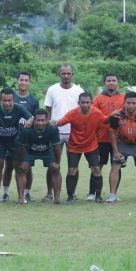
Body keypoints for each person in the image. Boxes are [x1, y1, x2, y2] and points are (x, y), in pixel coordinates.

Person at [50, 92, 115, 204]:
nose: (85, 105)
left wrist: (114, 115)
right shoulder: (73, 113)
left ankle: (98, 196)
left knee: (96, 170)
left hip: (91, 146)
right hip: (74, 147)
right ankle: (70, 197)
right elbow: (62, 122)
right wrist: (55, 122)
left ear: (91, 103)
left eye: (87, 102)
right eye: (83, 102)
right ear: (78, 103)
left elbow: (105, 120)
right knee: (72, 171)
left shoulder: (96, 112)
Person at [43, 64, 84, 202]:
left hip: (74, 133)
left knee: (73, 165)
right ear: (58, 74)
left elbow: (83, 111)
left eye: (68, 73)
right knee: (53, 164)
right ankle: (50, 193)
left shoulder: (79, 91)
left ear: (73, 74)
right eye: (63, 73)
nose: (66, 76)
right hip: (56, 133)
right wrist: (47, 129)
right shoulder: (52, 90)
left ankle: (71, 194)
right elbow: (47, 111)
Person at [0, 88, 33, 202]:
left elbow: (32, 118)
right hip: (0, 142)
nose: (7, 103)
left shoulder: (19, 108)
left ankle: (21, 197)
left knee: (18, 166)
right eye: (4, 100)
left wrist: (29, 122)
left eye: (9, 100)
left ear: (13, 99)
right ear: (0, 100)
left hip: (15, 141)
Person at [17, 109, 62, 204]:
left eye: (43, 120)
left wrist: (57, 162)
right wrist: (20, 162)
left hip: (47, 150)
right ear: (34, 120)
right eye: (38, 120)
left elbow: (56, 147)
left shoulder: (53, 128)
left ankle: (57, 199)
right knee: (22, 169)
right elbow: (21, 147)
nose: (40, 123)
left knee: (55, 169)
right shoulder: (27, 129)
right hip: (30, 151)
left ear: (47, 120)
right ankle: (21, 198)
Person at [91, 73, 125, 201]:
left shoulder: (123, 97)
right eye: (108, 81)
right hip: (101, 138)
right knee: (97, 165)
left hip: (118, 138)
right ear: (104, 83)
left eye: (113, 80)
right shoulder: (98, 98)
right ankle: (93, 192)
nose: (111, 83)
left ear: (118, 83)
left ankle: (114, 193)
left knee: (116, 165)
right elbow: (94, 117)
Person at [11, 71, 40, 202]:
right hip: (12, 137)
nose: (23, 82)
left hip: (27, 138)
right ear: (17, 81)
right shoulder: (11, 98)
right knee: (11, 165)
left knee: (27, 166)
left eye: (26, 80)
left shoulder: (34, 100)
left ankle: (27, 193)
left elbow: (37, 119)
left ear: (29, 82)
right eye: (21, 80)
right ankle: (6, 193)